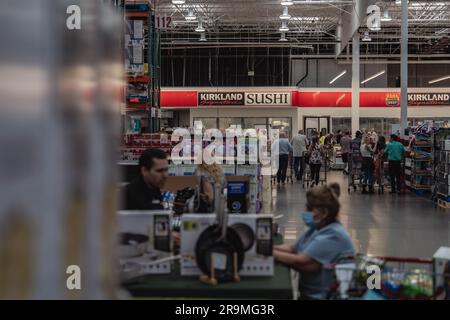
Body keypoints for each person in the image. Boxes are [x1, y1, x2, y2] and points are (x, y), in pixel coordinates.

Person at [273, 183, 355, 300]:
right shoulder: (317, 228)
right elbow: (293, 249)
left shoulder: (334, 235)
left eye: (310, 208)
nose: (305, 211)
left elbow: (302, 262)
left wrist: (270, 253)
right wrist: (267, 246)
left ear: (325, 212)